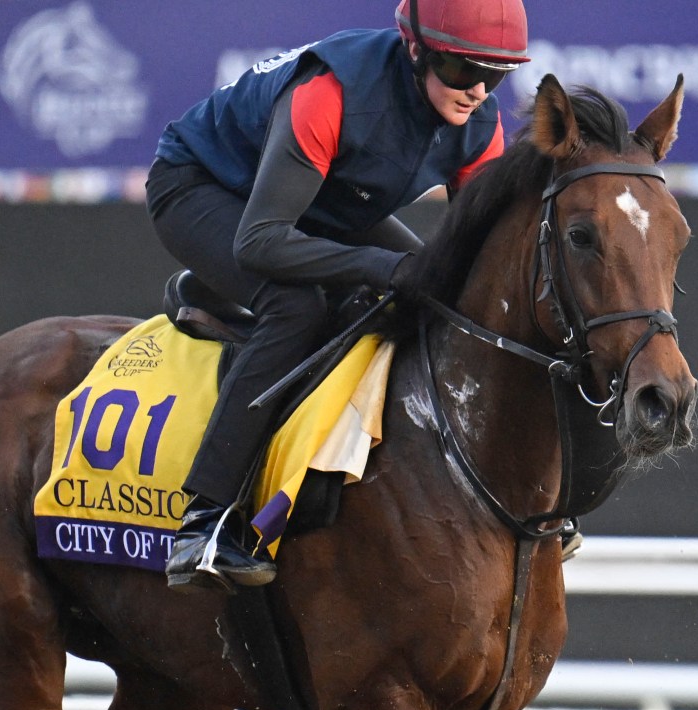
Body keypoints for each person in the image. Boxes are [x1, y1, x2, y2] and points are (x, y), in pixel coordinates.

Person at [147, 0, 528, 592]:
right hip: (203, 187)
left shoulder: (481, 125)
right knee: (298, 307)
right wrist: (382, 266)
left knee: (430, 292)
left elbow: (480, 262)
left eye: (496, 74)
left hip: (323, 196)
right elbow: (261, 241)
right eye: (461, 70)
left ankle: (208, 293)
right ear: (417, 49)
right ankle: (205, 521)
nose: (478, 90)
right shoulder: (330, 93)